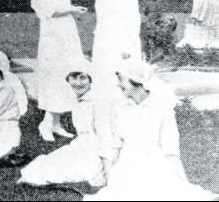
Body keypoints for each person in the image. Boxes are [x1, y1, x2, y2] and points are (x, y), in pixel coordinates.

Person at [84, 59, 218, 201]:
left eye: (121, 80)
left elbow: (170, 147)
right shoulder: (119, 107)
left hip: (154, 161)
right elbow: (116, 144)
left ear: (136, 81)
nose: (118, 84)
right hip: (126, 163)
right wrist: (110, 177)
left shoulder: (161, 105)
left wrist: (182, 180)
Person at [18, 60, 115, 188]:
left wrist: (107, 172)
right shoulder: (79, 99)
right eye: (74, 78)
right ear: (68, 79)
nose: (78, 83)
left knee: (57, 172)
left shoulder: (98, 102)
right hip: (81, 145)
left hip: (96, 152)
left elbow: (105, 137)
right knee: (43, 165)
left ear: (90, 79)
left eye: (83, 78)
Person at [24, 0, 86, 141]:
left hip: (66, 29)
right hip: (53, 32)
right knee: (54, 73)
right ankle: (46, 123)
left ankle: (56, 122)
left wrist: (70, 10)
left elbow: (62, 5)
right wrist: (73, 10)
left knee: (66, 72)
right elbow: (49, 10)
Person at [92, 0, 142, 98]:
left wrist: (128, 45)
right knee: (103, 77)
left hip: (120, 40)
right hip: (104, 38)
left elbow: (133, 18)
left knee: (119, 78)